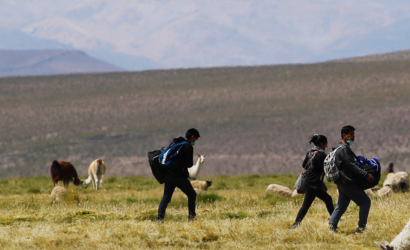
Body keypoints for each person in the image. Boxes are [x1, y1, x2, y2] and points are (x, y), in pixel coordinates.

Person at [329, 125, 374, 234]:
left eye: (354, 134)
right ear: (345, 136)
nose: (353, 137)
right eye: (351, 134)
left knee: (342, 204)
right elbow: (351, 166)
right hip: (347, 181)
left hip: (341, 182)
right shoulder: (344, 149)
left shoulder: (339, 148)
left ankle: (332, 226)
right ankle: (361, 228)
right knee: (365, 202)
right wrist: (366, 174)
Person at [290, 134, 334, 229]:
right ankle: (295, 224)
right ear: (322, 144)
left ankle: (335, 219)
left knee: (328, 199)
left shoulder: (310, 153)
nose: (326, 146)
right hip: (313, 184)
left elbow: (303, 165)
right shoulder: (321, 155)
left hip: (310, 182)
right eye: (326, 144)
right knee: (306, 205)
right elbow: (327, 168)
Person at [157, 128, 200, 222]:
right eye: (195, 140)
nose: (194, 142)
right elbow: (189, 164)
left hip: (168, 174)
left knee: (166, 196)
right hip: (179, 176)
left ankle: (159, 218)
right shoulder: (188, 146)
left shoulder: (176, 143)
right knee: (192, 194)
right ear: (192, 137)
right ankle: (192, 217)